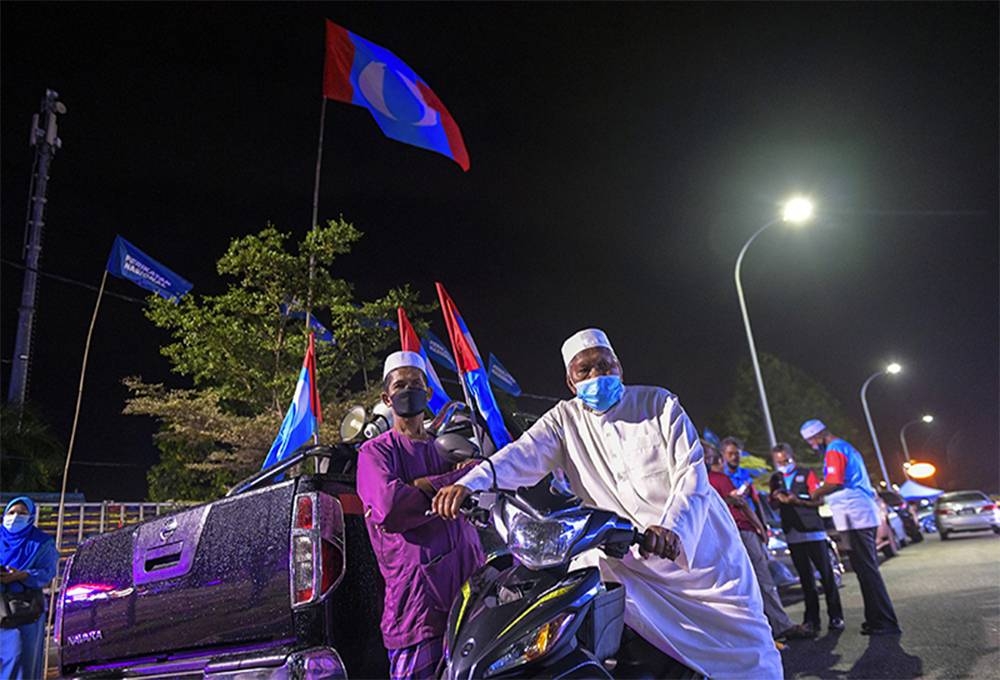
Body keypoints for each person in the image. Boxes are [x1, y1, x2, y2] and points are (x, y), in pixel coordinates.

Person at [433, 329, 784, 679]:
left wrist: (672, 528)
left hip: (698, 556)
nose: (596, 376)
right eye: (584, 371)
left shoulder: (658, 404)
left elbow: (691, 474)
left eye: (604, 366)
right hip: (627, 559)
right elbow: (521, 455)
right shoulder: (563, 419)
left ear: (619, 369)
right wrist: (469, 484)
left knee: (746, 656)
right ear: (571, 382)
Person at [356, 351, 485, 679]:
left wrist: (424, 485)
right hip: (418, 611)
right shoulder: (376, 452)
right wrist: (454, 481)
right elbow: (391, 508)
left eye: (416, 384)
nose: (408, 390)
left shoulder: (447, 446)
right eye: (400, 385)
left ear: (428, 394)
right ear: (387, 397)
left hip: (472, 601)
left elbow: (486, 482)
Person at [800, 419, 901, 636]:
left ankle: (885, 620)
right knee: (863, 569)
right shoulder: (845, 447)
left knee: (867, 568)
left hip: (854, 515)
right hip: (854, 514)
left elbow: (834, 482)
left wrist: (816, 493)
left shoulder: (834, 450)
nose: (811, 446)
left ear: (818, 436)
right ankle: (874, 619)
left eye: (810, 441)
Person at [705, 445, 814, 641]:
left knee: (743, 583)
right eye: (728, 454)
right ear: (719, 458)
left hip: (727, 534)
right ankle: (780, 626)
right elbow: (741, 504)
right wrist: (759, 527)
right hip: (741, 531)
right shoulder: (718, 479)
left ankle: (760, 629)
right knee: (762, 579)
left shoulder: (709, 480)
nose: (734, 457)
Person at [768, 443, 845, 634]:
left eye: (785, 460)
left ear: (792, 456)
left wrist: (798, 501)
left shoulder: (806, 473)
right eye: (779, 461)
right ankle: (812, 620)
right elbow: (773, 505)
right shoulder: (775, 478)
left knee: (826, 577)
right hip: (793, 534)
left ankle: (836, 616)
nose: (783, 464)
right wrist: (777, 498)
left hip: (813, 531)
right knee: (805, 580)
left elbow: (819, 500)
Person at [1, 496, 60, 680]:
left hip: (22, 612)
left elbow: (48, 571)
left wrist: (22, 575)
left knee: (19, 659)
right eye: (11, 513)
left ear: (31, 517)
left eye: (22, 513)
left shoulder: (41, 543)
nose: (15, 516)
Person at [721, 436, 767, 528]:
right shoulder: (718, 476)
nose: (734, 457)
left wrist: (763, 525)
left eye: (737, 454)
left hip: (749, 523)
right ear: (723, 454)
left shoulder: (746, 474)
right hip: (729, 524)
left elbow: (756, 500)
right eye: (730, 454)